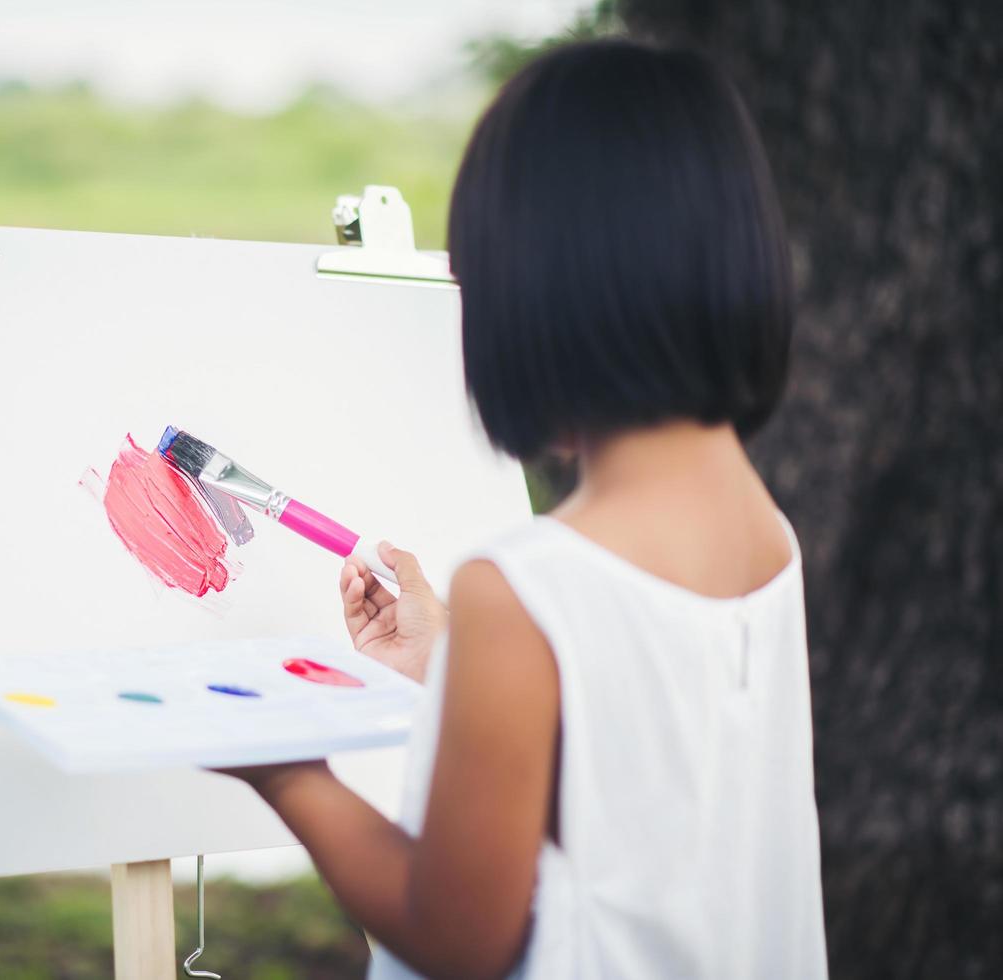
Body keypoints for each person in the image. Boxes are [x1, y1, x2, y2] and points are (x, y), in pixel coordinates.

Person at [217, 39, 828, 979]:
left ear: (532, 298)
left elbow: (457, 938)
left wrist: (290, 775)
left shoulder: (526, 587)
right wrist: (457, 665)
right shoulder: (763, 534)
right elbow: (637, 769)